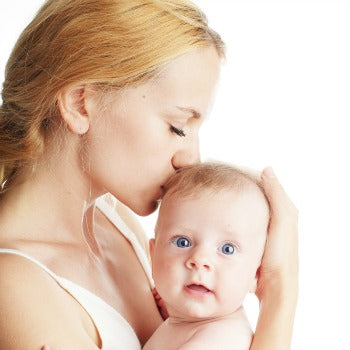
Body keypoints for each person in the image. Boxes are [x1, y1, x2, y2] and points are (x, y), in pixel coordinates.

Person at [0, 0, 298, 349]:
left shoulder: (117, 222)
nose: (192, 159)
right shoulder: (15, 286)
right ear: (81, 103)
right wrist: (279, 291)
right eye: (177, 127)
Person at [143, 162, 270, 350]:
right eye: (182, 242)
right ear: (153, 256)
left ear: (256, 274)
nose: (200, 259)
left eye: (227, 249)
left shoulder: (221, 339)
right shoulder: (186, 324)